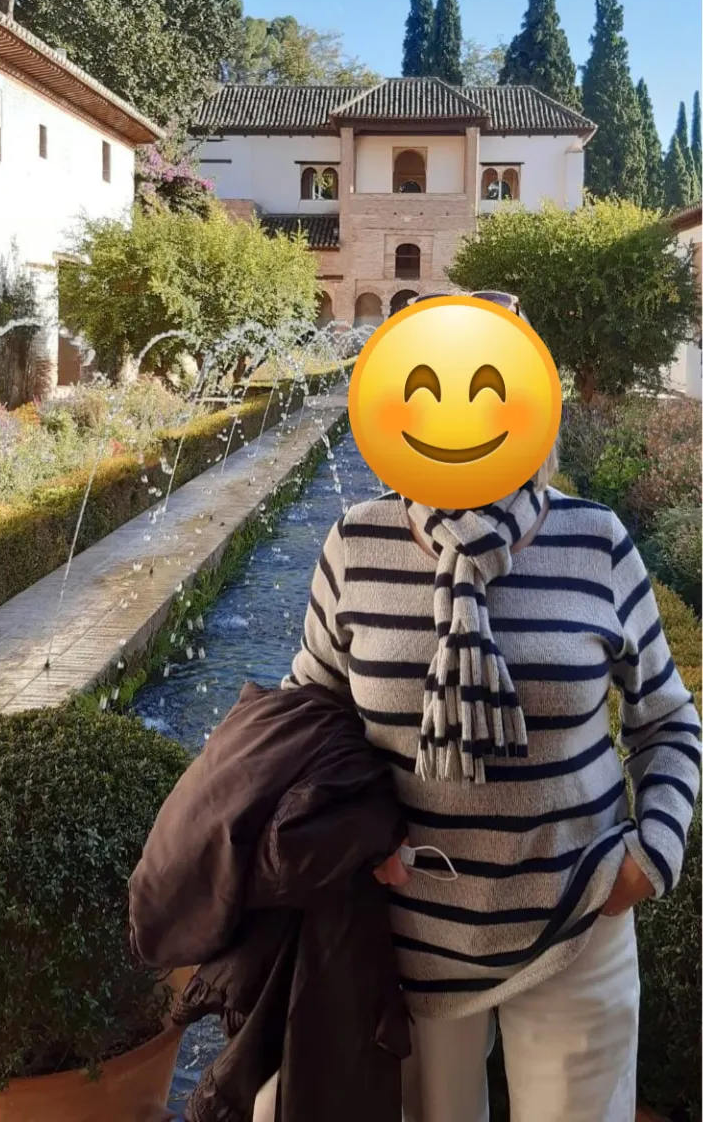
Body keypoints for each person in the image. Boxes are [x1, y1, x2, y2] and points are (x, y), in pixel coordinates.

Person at [286, 292, 701, 1122]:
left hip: (578, 922)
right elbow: (308, 721)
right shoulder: (358, 544)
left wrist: (650, 856)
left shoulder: (595, 541)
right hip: (406, 942)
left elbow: (667, 718)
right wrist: (349, 831)